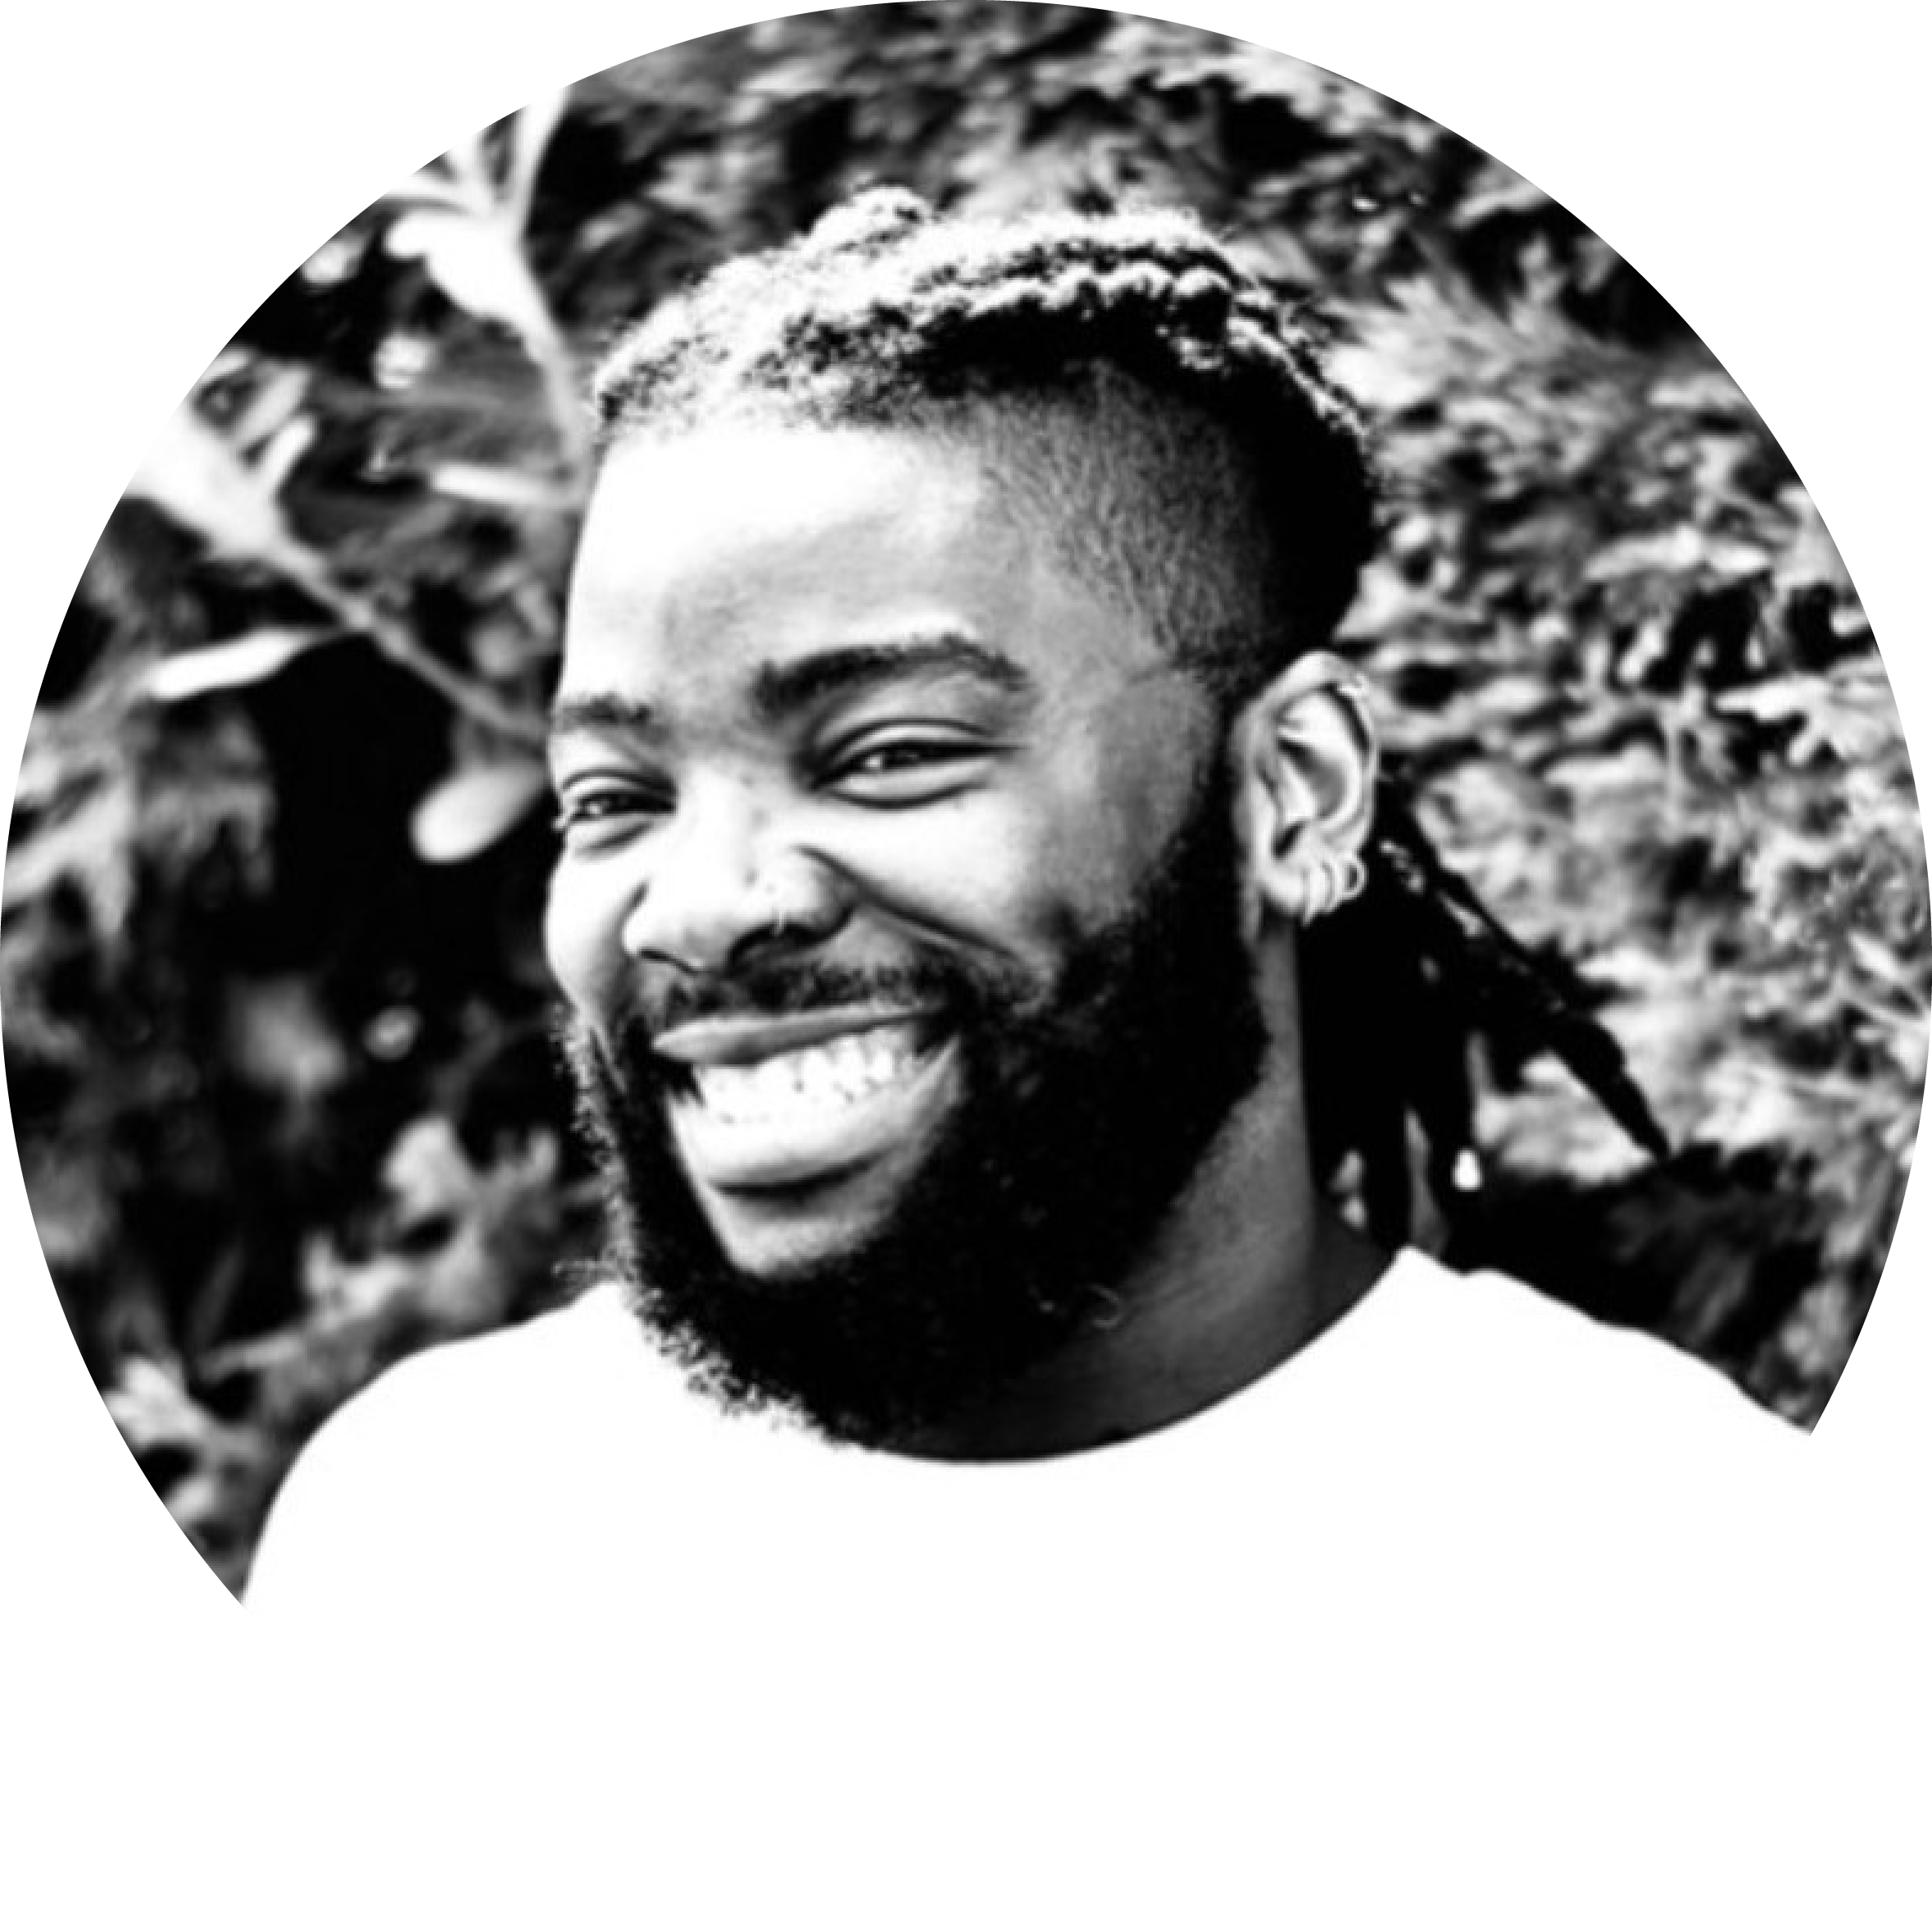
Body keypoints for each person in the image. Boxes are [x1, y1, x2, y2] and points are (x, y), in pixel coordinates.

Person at [241, 190, 1812, 1926]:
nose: (701, 904)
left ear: (1292, 792)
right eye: (617, 797)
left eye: (890, 752)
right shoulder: (427, 1551)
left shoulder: (1709, 1608)